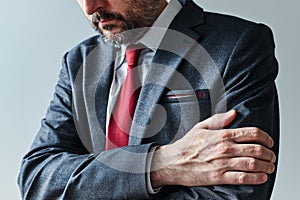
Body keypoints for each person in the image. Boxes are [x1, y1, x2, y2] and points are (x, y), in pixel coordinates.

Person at [18, 0, 279, 199]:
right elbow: (38, 178)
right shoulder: (79, 62)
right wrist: (160, 164)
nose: (90, 7)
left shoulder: (238, 44)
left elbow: (238, 192)